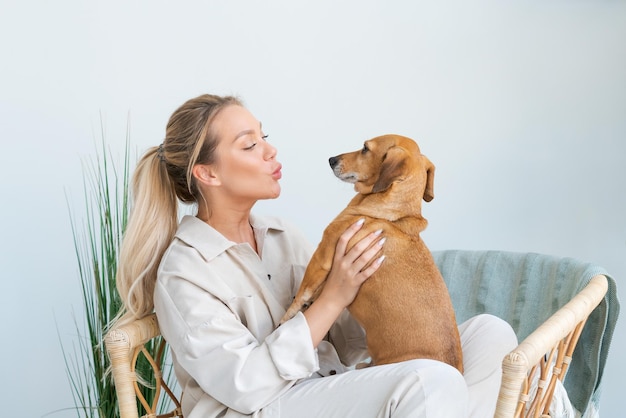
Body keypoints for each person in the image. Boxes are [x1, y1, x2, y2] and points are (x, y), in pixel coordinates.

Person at [113, 93, 518, 418]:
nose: (270, 151)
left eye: (264, 136)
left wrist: (395, 295)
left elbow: (345, 341)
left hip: (325, 386)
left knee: (491, 334)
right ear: (209, 174)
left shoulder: (281, 235)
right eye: (250, 145)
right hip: (259, 406)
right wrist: (334, 295)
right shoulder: (184, 271)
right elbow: (246, 385)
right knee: (430, 382)